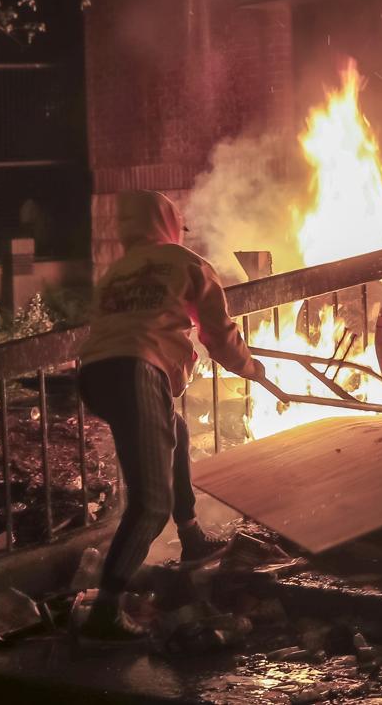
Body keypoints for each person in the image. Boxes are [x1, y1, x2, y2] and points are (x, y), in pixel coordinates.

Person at [77, 189, 264, 641]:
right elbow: (218, 334)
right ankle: (106, 609)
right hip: (137, 370)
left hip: (96, 374)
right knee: (150, 503)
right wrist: (251, 367)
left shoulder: (115, 273)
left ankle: (192, 533)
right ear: (168, 223)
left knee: (174, 428)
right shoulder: (187, 263)